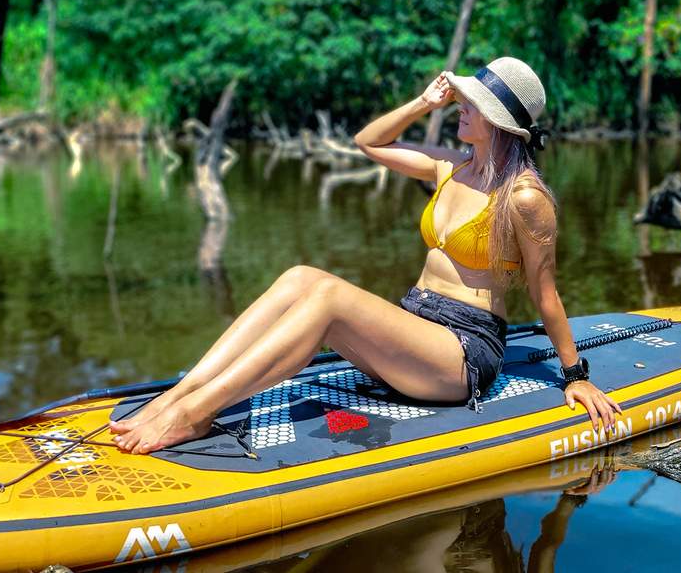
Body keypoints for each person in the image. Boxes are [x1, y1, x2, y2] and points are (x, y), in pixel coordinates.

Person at [111, 57, 622, 454]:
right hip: (417, 324)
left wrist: (575, 378)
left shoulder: (526, 198)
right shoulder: (451, 167)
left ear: (496, 120)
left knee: (329, 299)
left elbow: (546, 294)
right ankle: (181, 394)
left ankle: (195, 414)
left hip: (464, 351)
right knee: (300, 277)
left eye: (471, 101)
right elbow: (369, 143)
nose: (459, 105)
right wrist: (422, 103)